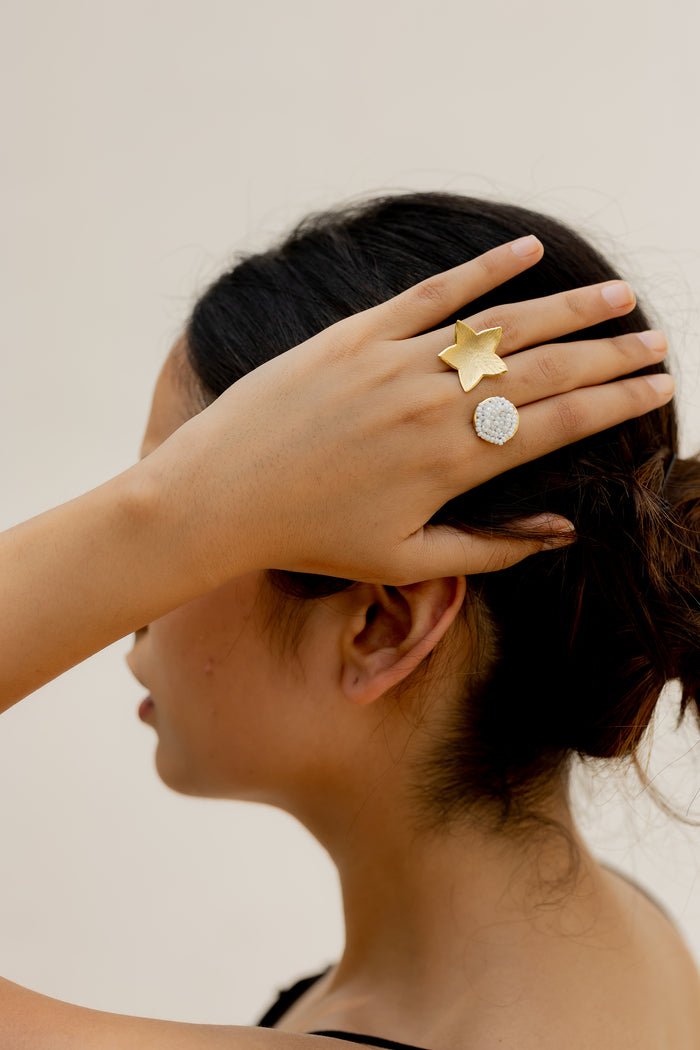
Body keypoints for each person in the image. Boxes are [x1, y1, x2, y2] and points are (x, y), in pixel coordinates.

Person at [0, 193, 698, 1050]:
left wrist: (157, 519)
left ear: (381, 625)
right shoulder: (620, 943)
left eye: (196, 514)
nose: (126, 613)